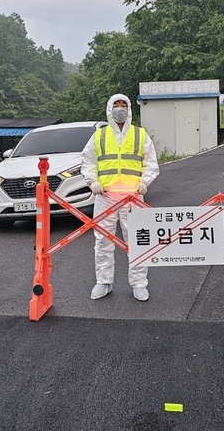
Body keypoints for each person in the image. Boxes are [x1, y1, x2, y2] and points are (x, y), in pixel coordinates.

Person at [81, 94, 159, 301]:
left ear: (130, 108)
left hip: (132, 197)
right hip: (105, 196)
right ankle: (104, 282)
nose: (120, 108)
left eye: (123, 104)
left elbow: (151, 163)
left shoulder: (140, 134)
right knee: (102, 240)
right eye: (116, 104)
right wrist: (93, 182)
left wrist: (145, 182)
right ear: (109, 108)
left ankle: (139, 283)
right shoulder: (99, 135)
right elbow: (87, 161)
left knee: (137, 240)